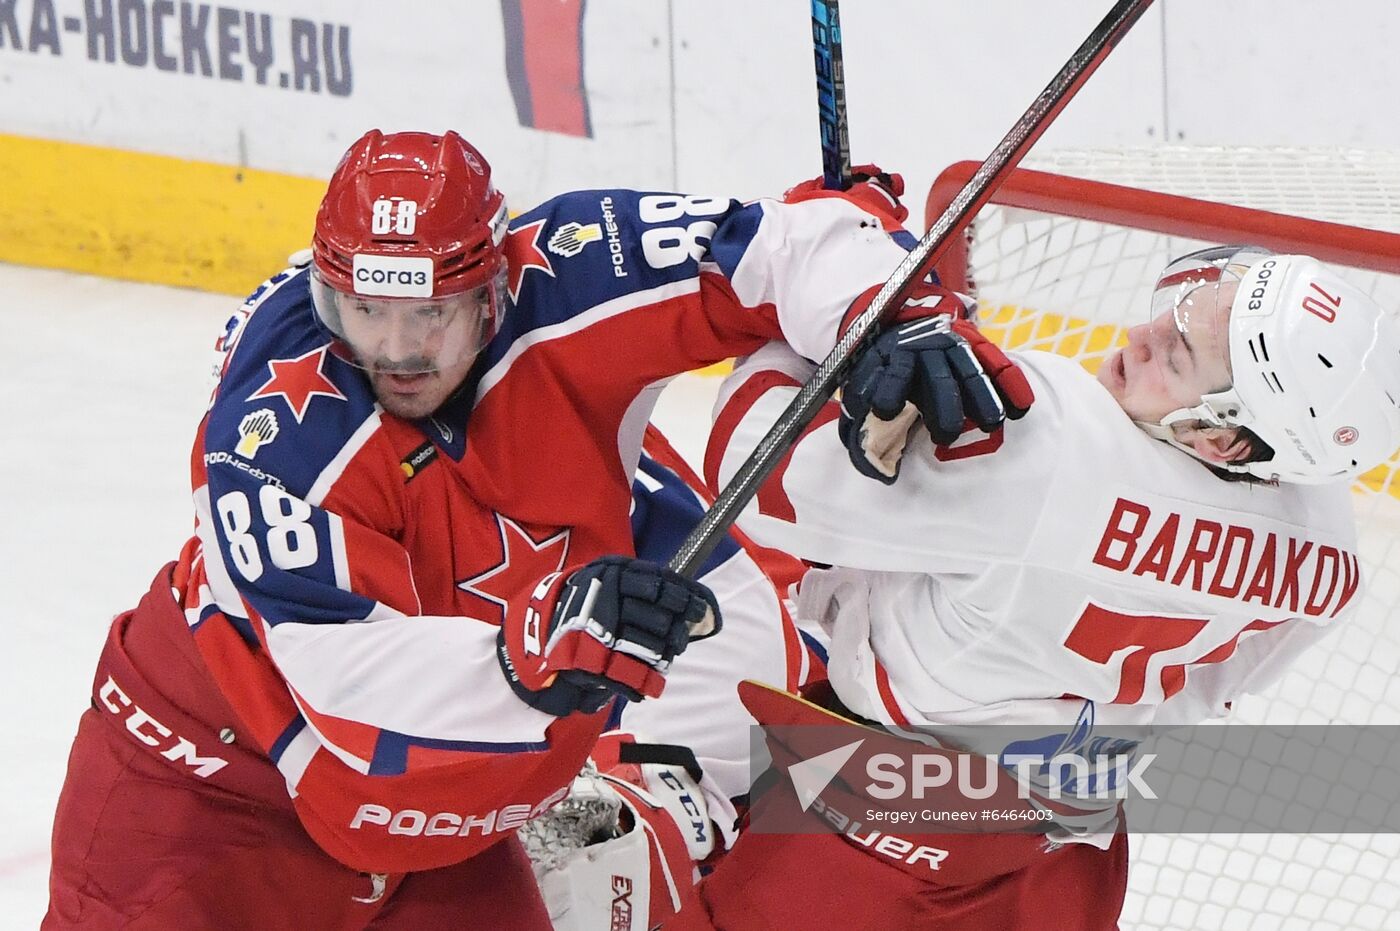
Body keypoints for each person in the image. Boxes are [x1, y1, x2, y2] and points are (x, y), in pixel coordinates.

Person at [42, 130, 1031, 929]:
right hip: (217, 786)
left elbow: (776, 248)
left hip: (447, 821)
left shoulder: (566, 270)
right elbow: (339, 681)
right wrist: (528, 655)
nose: (392, 353)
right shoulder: (276, 429)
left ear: (495, 286)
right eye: (361, 315)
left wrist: (887, 311)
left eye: (427, 319)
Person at [690, 245, 1400, 930]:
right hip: (1065, 852)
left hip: (882, 826)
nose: (1140, 334)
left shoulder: (1048, 448)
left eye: (1176, 355)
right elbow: (1209, 683)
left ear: (1222, 440)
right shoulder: (1326, 549)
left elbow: (753, 468)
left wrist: (836, 305)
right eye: (1174, 314)